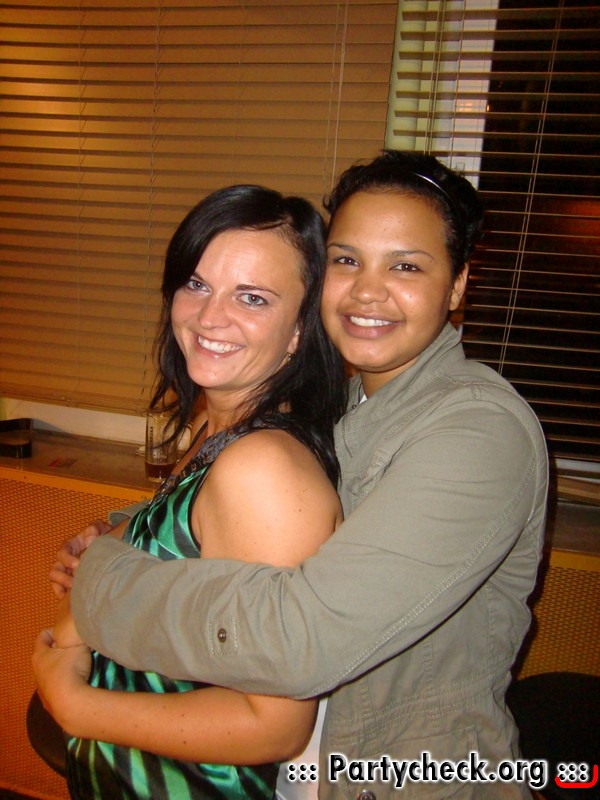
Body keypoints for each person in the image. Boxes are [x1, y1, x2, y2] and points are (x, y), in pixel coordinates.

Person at [37, 152, 549, 799]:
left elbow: (300, 640)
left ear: (457, 286)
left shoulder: (477, 431)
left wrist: (104, 582)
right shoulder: (348, 407)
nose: (367, 290)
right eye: (347, 260)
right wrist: (129, 529)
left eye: (406, 266)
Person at [33, 184, 347, 799]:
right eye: (197, 284)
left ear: (299, 330)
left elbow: (272, 725)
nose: (208, 317)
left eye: (252, 297)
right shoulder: (217, 427)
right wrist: (116, 543)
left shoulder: (264, 470)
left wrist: (75, 706)